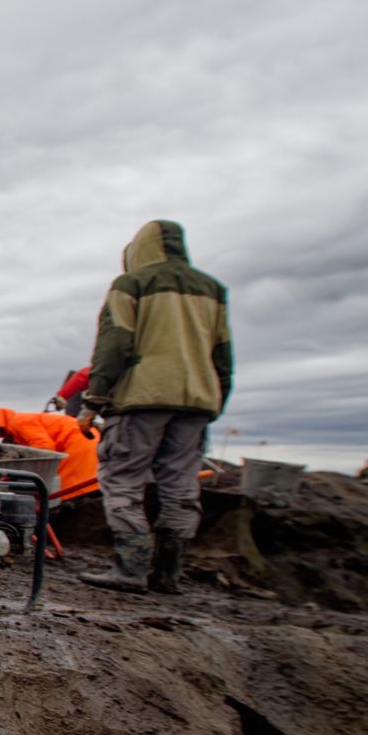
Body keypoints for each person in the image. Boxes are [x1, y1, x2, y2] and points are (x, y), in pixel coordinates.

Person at [76, 219, 232, 595]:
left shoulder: (132, 284)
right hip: (196, 402)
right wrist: (214, 400)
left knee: (123, 479)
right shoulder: (213, 289)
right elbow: (223, 355)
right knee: (180, 486)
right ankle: (167, 573)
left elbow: (115, 343)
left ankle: (130, 568)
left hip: (141, 400)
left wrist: (93, 402)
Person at [0, 408, 100, 500]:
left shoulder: (18, 422)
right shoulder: (24, 421)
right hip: (88, 438)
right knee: (84, 482)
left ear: (1, 422)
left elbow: (44, 447)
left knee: (70, 488)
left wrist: (28, 470)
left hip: (77, 442)